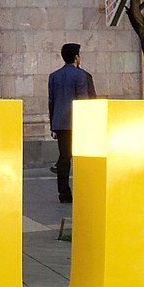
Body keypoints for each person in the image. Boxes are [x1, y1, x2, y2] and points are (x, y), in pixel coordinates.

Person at [47, 43, 96, 204]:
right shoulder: (81, 75)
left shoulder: (54, 76)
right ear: (76, 57)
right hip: (77, 123)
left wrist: (53, 126)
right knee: (83, 158)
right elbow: (84, 100)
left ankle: (64, 192)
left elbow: (51, 102)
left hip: (60, 123)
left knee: (64, 157)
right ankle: (84, 190)